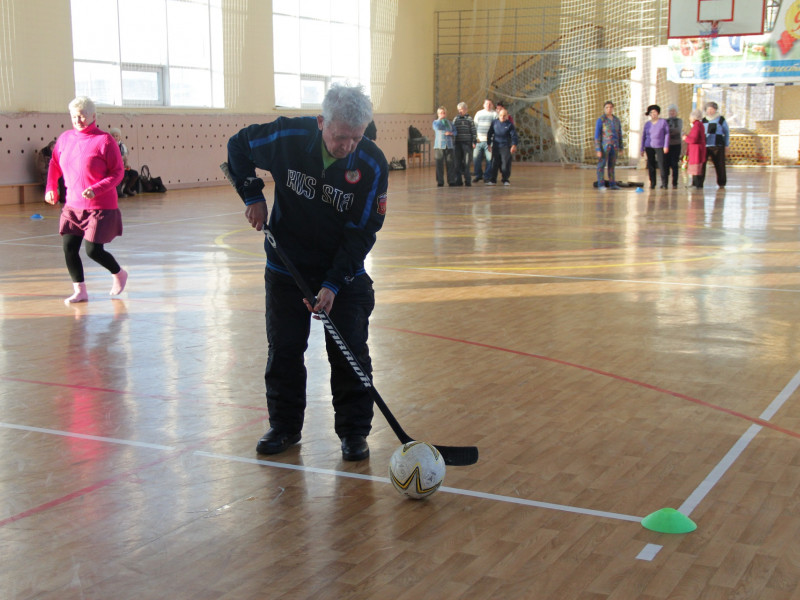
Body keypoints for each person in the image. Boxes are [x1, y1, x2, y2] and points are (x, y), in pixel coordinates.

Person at [226, 83, 388, 462]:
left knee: (349, 354)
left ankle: (353, 433)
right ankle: (284, 427)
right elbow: (238, 146)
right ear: (321, 123)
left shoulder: (372, 163)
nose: (348, 145)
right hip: (287, 265)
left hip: (342, 273)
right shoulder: (289, 135)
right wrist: (252, 196)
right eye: (339, 136)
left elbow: (363, 231)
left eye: (356, 137)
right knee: (283, 349)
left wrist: (332, 283)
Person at [44, 96, 127, 304]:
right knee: (69, 247)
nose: (78, 120)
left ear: (93, 116)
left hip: (99, 206)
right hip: (72, 205)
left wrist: (96, 189)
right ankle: (80, 291)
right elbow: (54, 164)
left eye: (82, 115)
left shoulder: (105, 140)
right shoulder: (64, 139)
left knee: (93, 251)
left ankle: (118, 273)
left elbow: (118, 173)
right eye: (74, 116)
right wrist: (51, 187)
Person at [594, 101, 624, 190]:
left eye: (610, 107)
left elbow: (619, 134)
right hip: (604, 146)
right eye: (607, 107)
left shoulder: (616, 120)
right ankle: (601, 184)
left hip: (614, 146)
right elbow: (597, 135)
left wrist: (621, 147)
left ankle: (612, 184)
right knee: (601, 165)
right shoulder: (601, 120)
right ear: (604, 109)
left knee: (612, 166)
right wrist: (598, 149)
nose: (609, 109)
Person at [486, 108, 519, 186]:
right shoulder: (494, 123)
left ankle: (505, 179)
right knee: (494, 163)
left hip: (505, 147)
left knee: (505, 164)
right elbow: (490, 133)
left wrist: (514, 145)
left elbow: (514, 136)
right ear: (498, 115)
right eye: (501, 115)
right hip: (496, 146)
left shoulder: (510, 125)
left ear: (507, 116)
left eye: (504, 115)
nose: (502, 117)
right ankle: (493, 180)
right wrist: (489, 144)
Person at [700, 101, 729, 188]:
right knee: (702, 165)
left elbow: (726, 132)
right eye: (708, 109)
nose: (710, 111)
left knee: (719, 164)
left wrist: (727, 144)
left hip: (718, 145)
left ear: (715, 110)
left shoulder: (721, 119)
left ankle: (721, 182)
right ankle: (699, 182)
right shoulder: (703, 120)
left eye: (712, 109)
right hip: (705, 145)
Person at [640, 104, 670, 189]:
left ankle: (664, 183)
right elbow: (644, 136)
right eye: (651, 112)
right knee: (651, 165)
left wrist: (666, 145)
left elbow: (667, 134)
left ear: (658, 113)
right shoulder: (647, 124)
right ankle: (652, 183)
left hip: (660, 146)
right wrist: (642, 148)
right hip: (649, 146)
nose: (653, 114)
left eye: (655, 112)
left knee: (662, 164)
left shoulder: (663, 122)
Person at [451, 102, 477, 187]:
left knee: (466, 162)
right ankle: (458, 180)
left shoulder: (469, 119)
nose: (460, 111)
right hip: (457, 143)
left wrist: (474, 141)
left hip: (467, 144)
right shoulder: (456, 119)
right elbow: (453, 129)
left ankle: (468, 181)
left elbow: (473, 131)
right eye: (458, 110)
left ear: (465, 109)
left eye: (461, 109)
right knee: (457, 163)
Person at [109, 127, 139, 197]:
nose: (115, 137)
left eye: (117, 136)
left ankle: (127, 189)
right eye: (113, 136)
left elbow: (125, 158)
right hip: (114, 167)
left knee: (134, 173)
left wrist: (127, 164)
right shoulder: (109, 145)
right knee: (124, 174)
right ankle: (118, 191)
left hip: (122, 166)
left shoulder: (122, 146)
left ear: (119, 137)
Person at [472, 99, 497, 183]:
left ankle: (487, 176)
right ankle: (478, 175)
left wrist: (492, 140)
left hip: (489, 141)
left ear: (492, 105)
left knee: (489, 159)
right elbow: (474, 126)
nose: (488, 105)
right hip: (479, 140)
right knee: (476, 159)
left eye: (490, 104)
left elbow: (495, 127)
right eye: (486, 104)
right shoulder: (479, 113)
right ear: (483, 105)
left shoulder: (494, 114)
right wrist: (474, 139)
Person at [683, 108, 707, 188]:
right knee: (697, 167)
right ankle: (695, 183)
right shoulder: (699, 125)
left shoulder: (696, 126)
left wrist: (685, 138)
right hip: (697, 149)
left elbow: (694, 139)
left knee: (696, 168)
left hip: (696, 150)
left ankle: (696, 184)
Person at [432, 106, 455, 187]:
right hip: (439, 146)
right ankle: (440, 181)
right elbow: (438, 127)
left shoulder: (450, 122)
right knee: (439, 164)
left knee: (450, 164)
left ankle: (451, 180)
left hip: (449, 145)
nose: (442, 114)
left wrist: (451, 133)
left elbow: (455, 131)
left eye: (444, 113)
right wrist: (441, 120)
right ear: (438, 114)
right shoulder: (435, 122)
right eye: (441, 113)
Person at [665, 104, 683, 189]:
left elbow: (677, 130)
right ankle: (665, 182)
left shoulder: (679, 121)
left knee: (674, 164)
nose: (672, 113)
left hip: (676, 144)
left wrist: (668, 131)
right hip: (667, 145)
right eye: (670, 111)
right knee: (666, 164)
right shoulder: (665, 121)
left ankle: (675, 183)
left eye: (673, 111)